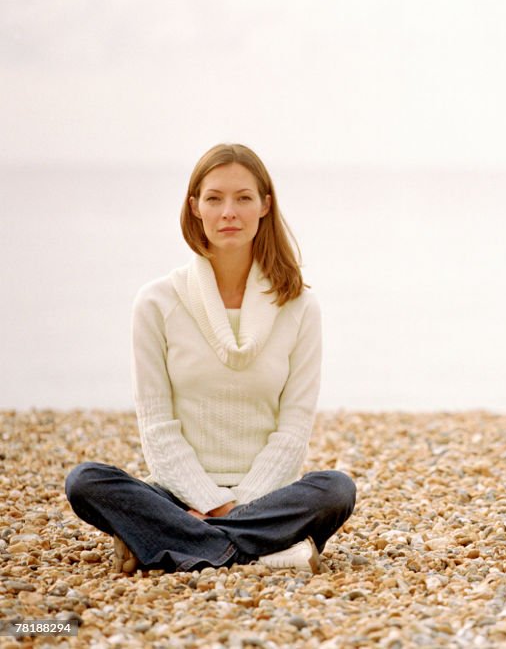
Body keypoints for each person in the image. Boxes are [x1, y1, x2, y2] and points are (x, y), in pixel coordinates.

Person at [65, 144, 355, 573]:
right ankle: (265, 552)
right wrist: (210, 502)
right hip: (177, 494)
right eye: (214, 198)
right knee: (86, 482)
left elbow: (293, 430)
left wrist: (235, 507)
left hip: (267, 495)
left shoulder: (299, 307)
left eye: (243, 198)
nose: (229, 212)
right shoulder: (157, 302)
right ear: (195, 207)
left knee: (336, 489)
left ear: (265, 206)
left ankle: (170, 542)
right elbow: (157, 427)